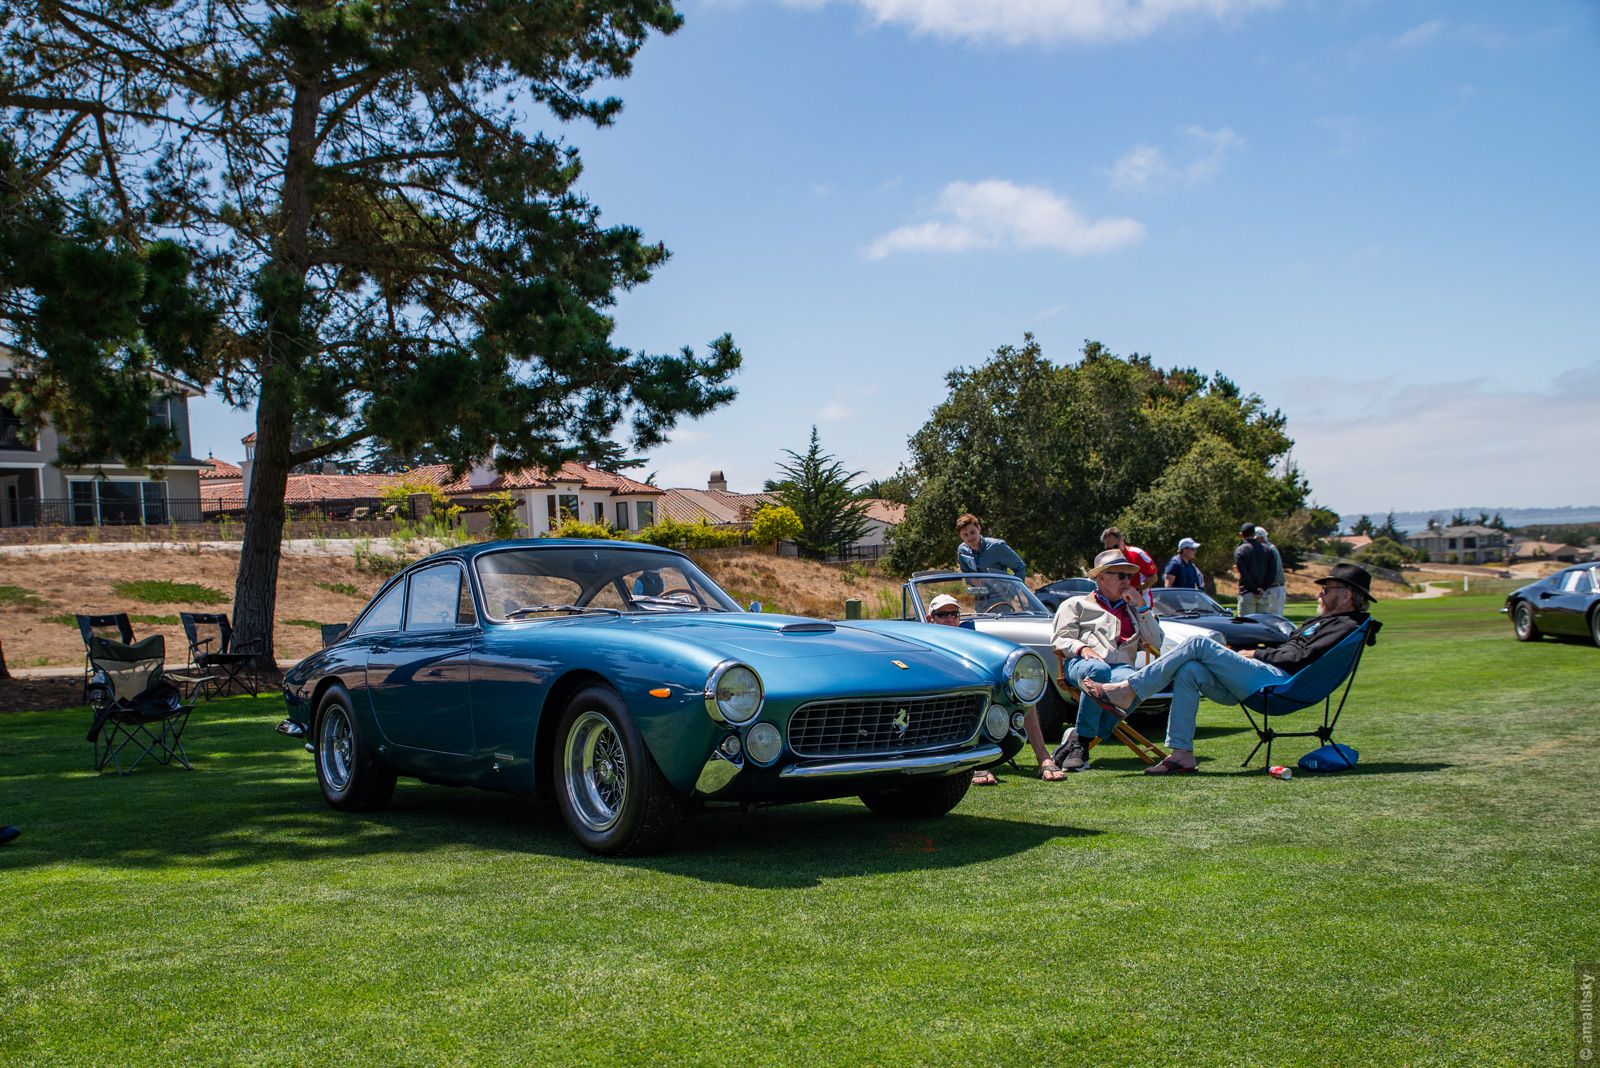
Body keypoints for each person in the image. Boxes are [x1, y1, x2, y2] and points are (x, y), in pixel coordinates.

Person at [1082, 562, 1375, 775]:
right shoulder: (1325, 622)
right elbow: (1293, 650)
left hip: (1279, 684)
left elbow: (1299, 657)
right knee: (1190, 670)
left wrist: (1256, 654)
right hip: (1264, 677)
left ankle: (1128, 690)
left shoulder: (1346, 626)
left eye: (1327, 588)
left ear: (1348, 595)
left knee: (1198, 643)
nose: (1319, 594)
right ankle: (1182, 753)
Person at [924, 593, 1065, 783]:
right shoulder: (923, 641)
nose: (949, 619)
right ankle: (977, 765)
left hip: (977, 691)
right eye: (942, 614)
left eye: (954, 614)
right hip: (944, 699)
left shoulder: (971, 637)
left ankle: (1044, 758)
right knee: (970, 702)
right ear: (929, 619)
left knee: (1021, 696)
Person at [1048, 550, 1164, 773]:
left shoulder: (1133, 608)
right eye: (1121, 575)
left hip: (1121, 669)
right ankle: (1082, 743)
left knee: (1137, 681)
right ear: (1100, 577)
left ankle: (1078, 739)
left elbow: (1157, 642)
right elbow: (1060, 638)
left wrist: (1141, 606)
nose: (1127, 582)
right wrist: (1082, 648)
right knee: (1099, 669)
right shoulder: (1076, 604)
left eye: (1129, 577)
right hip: (1082, 665)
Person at [956, 514, 1027, 580]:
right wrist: (972, 580)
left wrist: (1013, 588)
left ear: (979, 529)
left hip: (1002, 592)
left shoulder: (997, 546)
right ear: (960, 536)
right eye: (965, 535)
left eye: (972, 532)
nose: (970, 537)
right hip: (979, 592)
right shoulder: (962, 550)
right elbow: (966, 574)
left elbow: (1020, 567)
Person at [1101, 526, 1158, 592]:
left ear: (1122, 540)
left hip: (1141, 598)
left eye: (1115, 546)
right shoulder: (1107, 558)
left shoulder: (1137, 554)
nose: (1112, 550)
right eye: (1108, 548)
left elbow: (1154, 578)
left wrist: (1136, 590)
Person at [1234, 522, 1272, 614]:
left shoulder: (1240, 550)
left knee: (1247, 626)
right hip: (1264, 593)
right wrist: (1263, 588)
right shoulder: (1267, 549)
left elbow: (1243, 573)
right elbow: (1272, 572)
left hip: (1247, 592)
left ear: (1241, 534)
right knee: (1263, 625)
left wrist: (1254, 589)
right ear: (1254, 534)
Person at [1256, 527, 1286, 614]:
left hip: (1275, 588)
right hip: (1269, 588)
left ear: (1260, 537)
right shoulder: (1265, 548)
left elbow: (1272, 571)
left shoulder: (1269, 549)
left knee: (1275, 617)